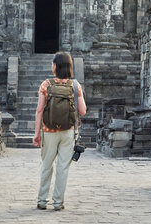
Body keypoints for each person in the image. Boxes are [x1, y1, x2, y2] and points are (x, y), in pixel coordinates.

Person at [33, 51, 87, 211]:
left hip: (48, 131)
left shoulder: (46, 85)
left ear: (55, 66)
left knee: (46, 166)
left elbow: (39, 111)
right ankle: (58, 203)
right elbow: (83, 111)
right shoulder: (75, 85)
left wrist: (36, 134)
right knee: (63, 168)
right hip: (67, 131)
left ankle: (42, 201)